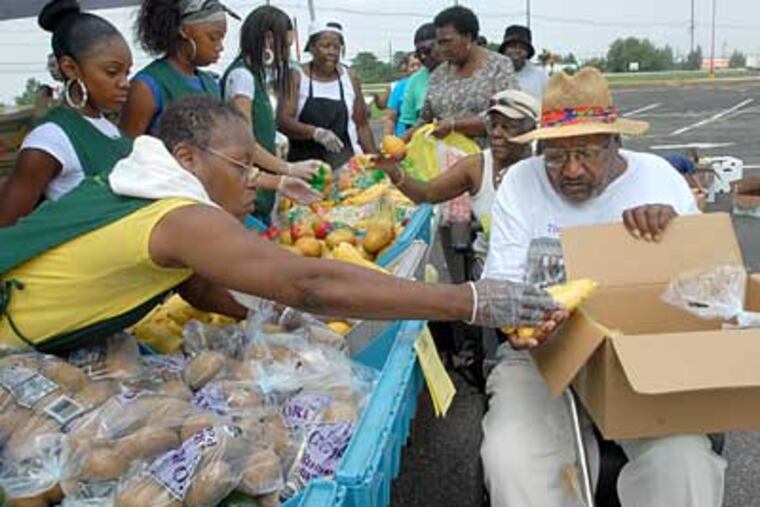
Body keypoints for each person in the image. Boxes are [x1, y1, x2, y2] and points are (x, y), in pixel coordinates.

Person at [0, 95, 562, 353]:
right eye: (244, 165)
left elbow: (189, 282)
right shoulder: (175, 214)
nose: (253, 179)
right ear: (187, 159)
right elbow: (311, 282)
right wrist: (468, 301)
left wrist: (268, 315)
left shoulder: (138, 187)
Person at [480, 68, 725, 507]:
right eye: (555, 156)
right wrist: (521, 325)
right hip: (542, 358)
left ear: (616, 144)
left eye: (587, 152)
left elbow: (707, 292)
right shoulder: (520, 181)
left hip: (643, 357)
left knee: (684, 462)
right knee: (510, 459)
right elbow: (502, 285)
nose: (571, 170)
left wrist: (672, 239)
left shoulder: (659, 179)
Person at [0, 0, 133, 227]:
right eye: (112, 72)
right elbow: (6, 228)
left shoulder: (110, 130)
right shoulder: (50, 139)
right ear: (70, 68)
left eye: (127, 72)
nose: (125, 83)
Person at [379, 89, 538, 268]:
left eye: (508, 127)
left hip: (543, 269)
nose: (496, 133)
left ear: (531, 130)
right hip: (492, 270)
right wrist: (393, 171)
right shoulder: (476, 167)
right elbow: (427, 194)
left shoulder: (549, 168)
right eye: (493, 126)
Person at [221, 5, 325, 222]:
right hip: (249, 193)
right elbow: (245, 143)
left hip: (260, 190)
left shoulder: (256, 77)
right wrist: (289, 168)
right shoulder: (242, 77)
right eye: (286, 46)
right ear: (269, 39)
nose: (286, 54)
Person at [120, 0, 237, 137]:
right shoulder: (147, 86)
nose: (220, 47)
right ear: (184, 31)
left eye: (221, 39)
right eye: (213, 38)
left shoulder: (211, 84)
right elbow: (127, 149)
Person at [277, 20, 376, 169]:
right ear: (311, 47)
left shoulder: (349, 78)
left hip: (346, 165)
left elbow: (361, 125)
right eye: (325, 46)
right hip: (305, 167)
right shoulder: (296, 76)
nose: (332, 52)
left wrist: (375, 160)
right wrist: (316, 133)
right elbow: (283, 121)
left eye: (337, 47)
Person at [416, 6, 518, 146]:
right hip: (447, 160)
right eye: (439, 43)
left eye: (447, 42)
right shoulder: (438, 75)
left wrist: (454, 126)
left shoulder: (499, 67)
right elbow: (425, 121)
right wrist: (399, 142)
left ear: (468, 37)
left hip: (489, 157)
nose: (442, 49)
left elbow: (507, 114)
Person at [399, 23, 440, 139]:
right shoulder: (414, 81)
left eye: (427, 51)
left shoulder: (457, 73)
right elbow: (409, 123)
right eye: (418, 53)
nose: (423, 56)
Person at [499, 25, 548, 101]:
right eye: (512, 46)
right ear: (504, 50)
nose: (517, 51)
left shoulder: (541, 78)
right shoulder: (493, 74)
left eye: (522, 47)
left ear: (528, 52)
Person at [382, 53, 421, 137]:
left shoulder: (432, 83)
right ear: (407, 68)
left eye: (419, 65)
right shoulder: (400, 86)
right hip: (403, 139)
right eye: (412, 65)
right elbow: (391, 118)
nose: (416, 68)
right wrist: (387, 139)